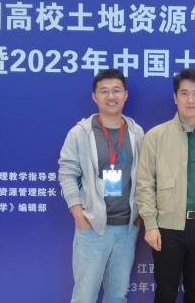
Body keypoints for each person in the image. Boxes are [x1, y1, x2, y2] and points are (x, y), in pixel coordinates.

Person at [135, 68, 195, 303]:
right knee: (165, 292)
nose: (190, 100)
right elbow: (145, 183)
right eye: (184, 93)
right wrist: (150, 225)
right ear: (174, 97)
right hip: (167, 228)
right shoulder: (156, 136)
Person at [58, 69, 146, 303]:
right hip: (92, 226)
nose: (111, 96)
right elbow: (67, 172)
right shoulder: (80, 133)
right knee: (84, 296)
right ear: (94, 97)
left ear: (125, 94)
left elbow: (145, 176)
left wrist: (140, 214)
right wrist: (78, 213)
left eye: (116, 90)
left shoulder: (136, 132)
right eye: (104, 91)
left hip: (126, 229)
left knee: (117, 296)